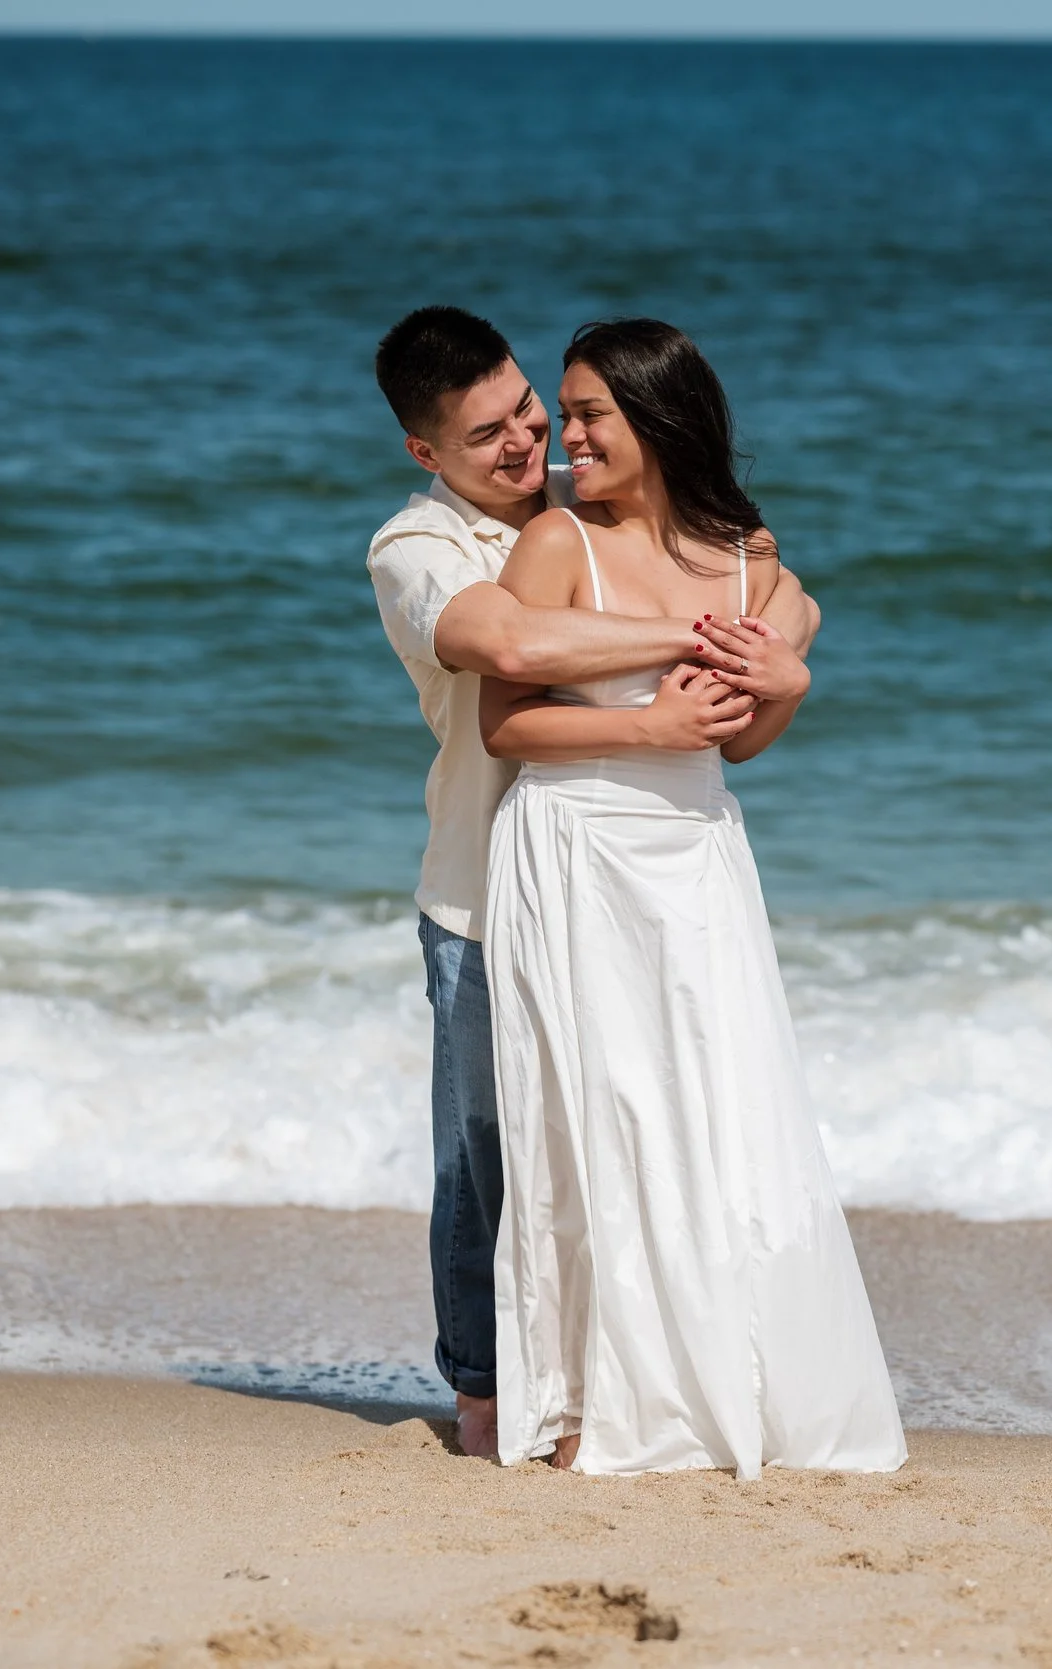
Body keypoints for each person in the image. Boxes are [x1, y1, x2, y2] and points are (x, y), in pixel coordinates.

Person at [477, 319, 907, 1477]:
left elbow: (748, 740)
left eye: (587, 417)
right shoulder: (557, 543)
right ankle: (589, 1403)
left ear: (659, 421)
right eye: (562, 417)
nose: (564, 442)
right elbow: (505, 725)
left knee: (720, 1108)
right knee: (593, 1117)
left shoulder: (745, 562)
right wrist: (645, 724)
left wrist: (787, 685)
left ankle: (739, 1382)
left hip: (698, 847)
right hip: (571, 846)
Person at [366, 306, 766, 1460]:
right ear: (426, 452)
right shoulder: (416, 549)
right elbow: (521, 652)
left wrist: (782, 624)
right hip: (485, 890)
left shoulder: (584, 516)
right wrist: (699, 637)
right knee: (485, 1152)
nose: (524, 442)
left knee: (625, 1134)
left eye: (530, 411)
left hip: (618, 891)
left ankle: (616, 1371)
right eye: (486, 433)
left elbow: (769, 578)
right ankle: (485, 1392)